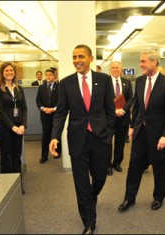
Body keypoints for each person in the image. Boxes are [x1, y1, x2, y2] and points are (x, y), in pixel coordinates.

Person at [49, 44, 115, 234]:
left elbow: (110, 109)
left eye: (81, 57)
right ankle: (88, 221)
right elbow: (61, 112)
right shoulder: (66, 83)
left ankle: (91, 197)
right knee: (81, 182)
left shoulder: (104, 80)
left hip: (100, 137)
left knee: (100, 176)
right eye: (74, 57)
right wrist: (55, 137)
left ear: (90, 58)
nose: (77, 60)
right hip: (77, 137)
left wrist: (109, 132)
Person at [118, 50, 165, 213]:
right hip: (140, 132)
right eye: (140, 61)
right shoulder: (140, 81)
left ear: (154, 62)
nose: (140, 64)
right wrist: (132, 126)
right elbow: (137, 107)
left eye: (143, 61)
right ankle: (129, 198)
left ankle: (158, 197)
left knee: (159, 168)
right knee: (134, 166)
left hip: (159, 135)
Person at [0, 62, 27, 194]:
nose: (9, 72)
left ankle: (18, 184)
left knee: (17, 156)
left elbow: (24, 108)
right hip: (5, 128)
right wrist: (12, 127)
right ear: (2, 72)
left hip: (19, 128)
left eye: (11, 70)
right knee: (7, 157)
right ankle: (8, 187)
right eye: (6, 70)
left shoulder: (19, 88)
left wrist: (23, 124)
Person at [107, 61, 133, 176]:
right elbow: (103, 100)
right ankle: (107, 165)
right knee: (107, 142)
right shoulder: (105, 82)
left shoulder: (127, 82)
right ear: (110, 69)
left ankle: (117, 163)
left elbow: (131, 99)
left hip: (123, 117)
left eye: (117, 67)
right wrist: (114, 111)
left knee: (120, 142)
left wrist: (123, 110)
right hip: (109, 118)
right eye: (113, 68)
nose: (115, 69)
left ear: (121, 69)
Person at [36, 69, 61, 164]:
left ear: (54, 76)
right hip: (45, 115)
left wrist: (54, 108)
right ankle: (44, 156)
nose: (48, 76)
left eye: (50, 75)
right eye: (46, 75)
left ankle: (56, 153)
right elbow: (38, 100)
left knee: (56, 134)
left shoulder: (59, 87)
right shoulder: (41, 87)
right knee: (46, 136)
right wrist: (43, 108)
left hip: (56, 114)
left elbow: (61, 101)